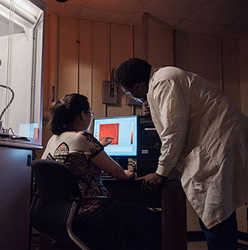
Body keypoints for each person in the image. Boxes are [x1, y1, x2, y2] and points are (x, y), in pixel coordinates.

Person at [115, 58, 248, 250]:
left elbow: (174, 131)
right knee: (219, 212)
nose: (133, 98)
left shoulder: (164, 81)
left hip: (220, 146)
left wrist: (161, 172)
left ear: (138, 84)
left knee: (215, 214)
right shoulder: (163, 80)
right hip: (220, 144)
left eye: (130, 93)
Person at [42, 93, 161, 250]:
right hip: (89, 211)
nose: (90, 116)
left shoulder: (54, 139)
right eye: (90, 113)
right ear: (82, 114)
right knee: (152, 218)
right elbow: (120, 174)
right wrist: (132, 173)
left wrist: (98, 145)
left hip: (58, 212)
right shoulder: (83, 137)